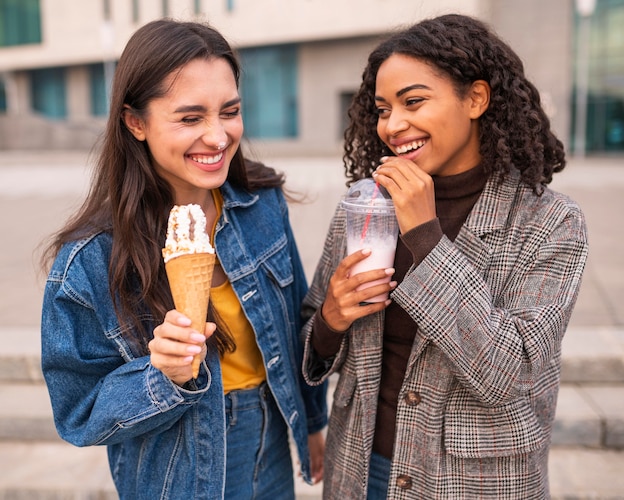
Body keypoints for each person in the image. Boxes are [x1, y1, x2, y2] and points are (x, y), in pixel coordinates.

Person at [301, 13, 588, 499]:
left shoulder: (550, 222)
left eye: (413, 101)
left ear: (476, 98)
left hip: (474, 483)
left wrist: (425, 236)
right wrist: (330, 318)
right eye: (383, 108)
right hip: (362, 469)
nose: (393, 124)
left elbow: (511, 372)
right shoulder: (366, 203)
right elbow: (312, 336)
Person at [40, 19, 326, 500]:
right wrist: (159, 376)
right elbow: (78, 414)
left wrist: (313, 422)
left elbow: (296, 326)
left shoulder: (262, 205)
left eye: (230, 111)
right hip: (181, 473)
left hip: (273, 439)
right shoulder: (88, 262)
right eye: (190, 118)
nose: (217, 137)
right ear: (136, 122)